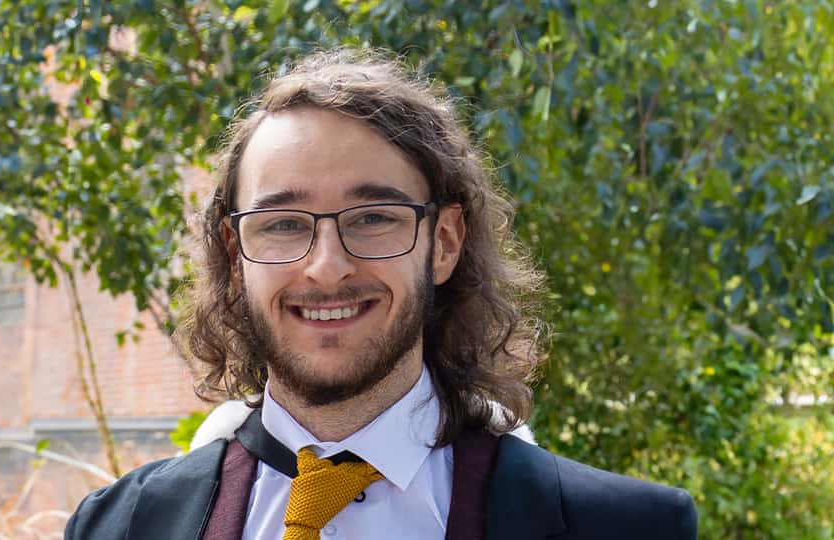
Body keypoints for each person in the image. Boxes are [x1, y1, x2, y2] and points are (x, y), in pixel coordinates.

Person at [65, 48, 697, 540]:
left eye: (373, 218)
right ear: (236, 259)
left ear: (444, 242)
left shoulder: (631, 527)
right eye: (283, 224)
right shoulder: (114, 526)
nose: (326, 268)